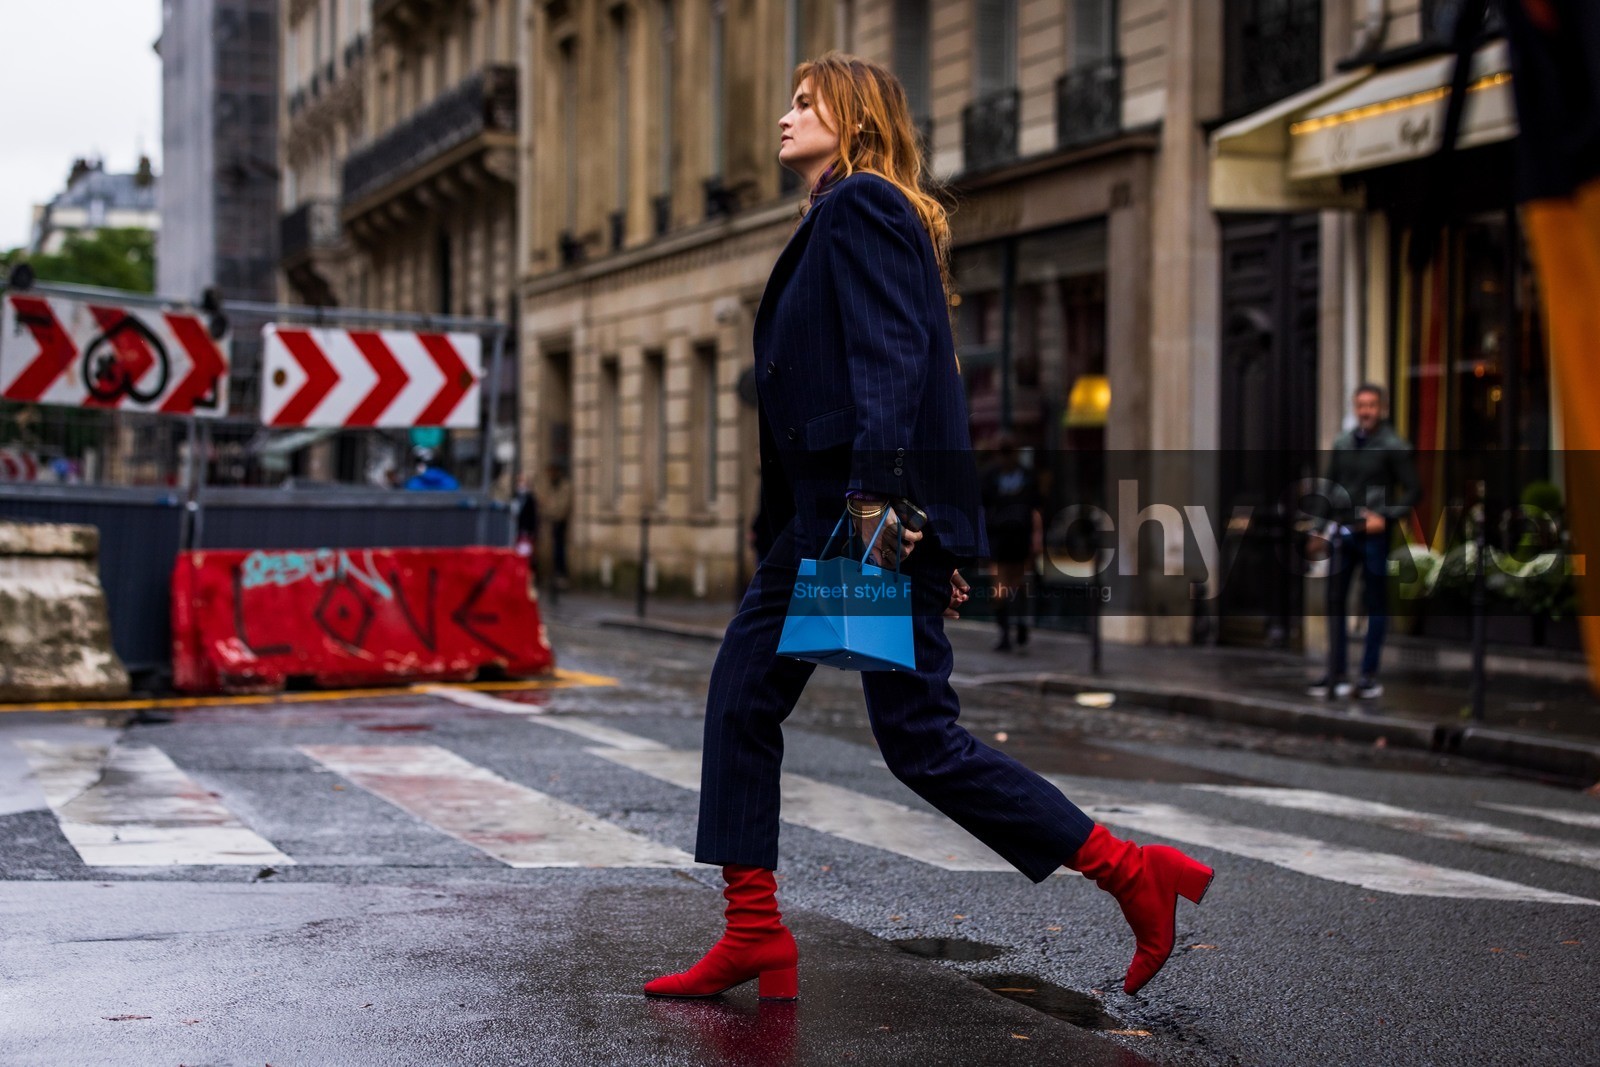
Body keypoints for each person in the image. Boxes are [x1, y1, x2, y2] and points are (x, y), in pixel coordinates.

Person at [644, 52, 1214, 1005]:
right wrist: (938, 535)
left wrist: (886, 517)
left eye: (804, 103)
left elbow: (896, 368)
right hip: (847, 520)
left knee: (816, 714)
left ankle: (1125, 870)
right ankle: (757, 931)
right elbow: (919, 380)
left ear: (856, 120)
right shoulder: (841, 213)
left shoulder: (860, 205)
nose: (783, 119)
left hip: (851, 520)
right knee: (872, 728)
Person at [1307, 384, 1419, 700]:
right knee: (1335, 601)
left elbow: (1413, 491)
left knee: (1375, 604)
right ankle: (1336, 672)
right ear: (1355, 408)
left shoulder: (1394, 446)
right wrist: (1317, 528)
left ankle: (1368, 675)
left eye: (1371, 405)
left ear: (1382, 408)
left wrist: (1386, 515)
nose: (1366, 411)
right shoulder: (1342, 444)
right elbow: (1329, 488)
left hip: (1373, 537)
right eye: (1361, 405)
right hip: (1343, 532)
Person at [981, 434, 1043, 651]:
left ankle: (1019, 626)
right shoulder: (991, 476)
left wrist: (1036, 537)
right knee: (1000, 587)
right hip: (999, 538)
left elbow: (1036, 508)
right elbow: (983, 506)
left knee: (1018, 585)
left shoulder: (1026, 476)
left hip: (1019, 538)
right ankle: (1006, 632)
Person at [534, 460, 572, 588]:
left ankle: (560, 575)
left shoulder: (564, 486)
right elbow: (541, 501)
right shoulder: (548, 485)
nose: (549, 474)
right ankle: (552, 575)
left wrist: (549, 511)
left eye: (551, 472)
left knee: (559, 549)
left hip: (560, 522)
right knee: (550, 549)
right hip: (549, 521)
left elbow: (561, 506)